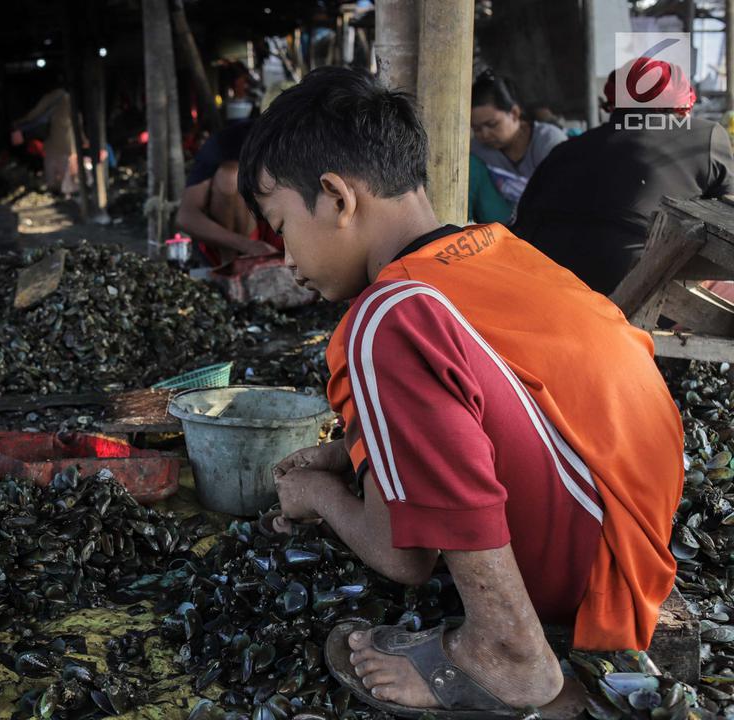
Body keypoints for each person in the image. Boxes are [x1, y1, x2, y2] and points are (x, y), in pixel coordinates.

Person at [240, 67, 681, 717]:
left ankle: (506, 651)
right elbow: (514, 404)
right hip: (642, 537)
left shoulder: (388, 317)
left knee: (381, 337)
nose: (285, 256)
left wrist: (319, 495)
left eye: (280, 225)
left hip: (583, 575)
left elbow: (405, 556)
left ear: (336, 197)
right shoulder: (496, 249)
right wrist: (347, 455)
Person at [514, 60, 733, 295]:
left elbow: (523, 220)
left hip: (539, 282)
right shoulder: (705, 135)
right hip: (629, 289)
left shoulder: (566, 149)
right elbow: (726, 212)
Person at [175, 119, 282, 265]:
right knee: (230, 177)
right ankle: (232, 265)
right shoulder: (227, 141)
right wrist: (248, 245)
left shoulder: (313, 139)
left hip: (290, 236)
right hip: (245, 238)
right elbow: (186, 216)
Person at [469, 71, 565, 218]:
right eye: (476, 128)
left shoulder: (548, 141)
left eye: (492, 124)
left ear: (514, 113)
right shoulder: (477, 149)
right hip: (506, 224)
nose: (484, 134)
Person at [12, 87, 78, 196]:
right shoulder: (71, 99)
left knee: (53, 170)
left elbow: (35, 113)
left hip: (54, 140)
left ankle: (56, 192)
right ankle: (66, 194)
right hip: (69, 142)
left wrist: (20, 123)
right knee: (65, 171)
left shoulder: (55, 96)